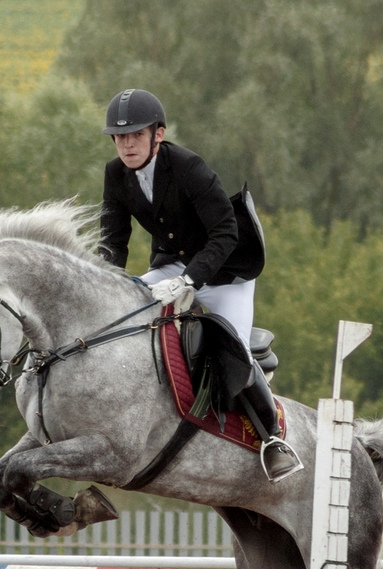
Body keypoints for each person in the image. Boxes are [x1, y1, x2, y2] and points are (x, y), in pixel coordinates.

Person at [97, 88, 302, 482]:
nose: (127, 144)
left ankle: (273, 439)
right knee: (119, 315)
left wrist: (190, 280)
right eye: (120, 137)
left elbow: (224, 232)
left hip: (224, 273)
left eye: (136, 135)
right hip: (170, 267)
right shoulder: (115, 174)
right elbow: (113, 241)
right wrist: (107, 285)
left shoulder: (188, 167)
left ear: (158, 134)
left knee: (234, 348)